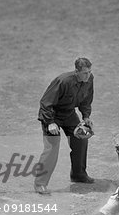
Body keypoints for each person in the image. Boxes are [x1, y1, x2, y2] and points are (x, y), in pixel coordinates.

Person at [34, 58, 95, 195]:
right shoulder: (63, 81)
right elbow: (45, 103)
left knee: (81, 139)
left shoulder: (89, 79)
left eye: (90, 72)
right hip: (52, 114)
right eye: (85, 73)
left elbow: (86, 100)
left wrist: (86, 117)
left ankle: (78, 175)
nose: (88, 75)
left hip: (68, 114)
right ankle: (40, 183)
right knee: (52, 148)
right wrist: (50, 122)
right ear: (76, 71)